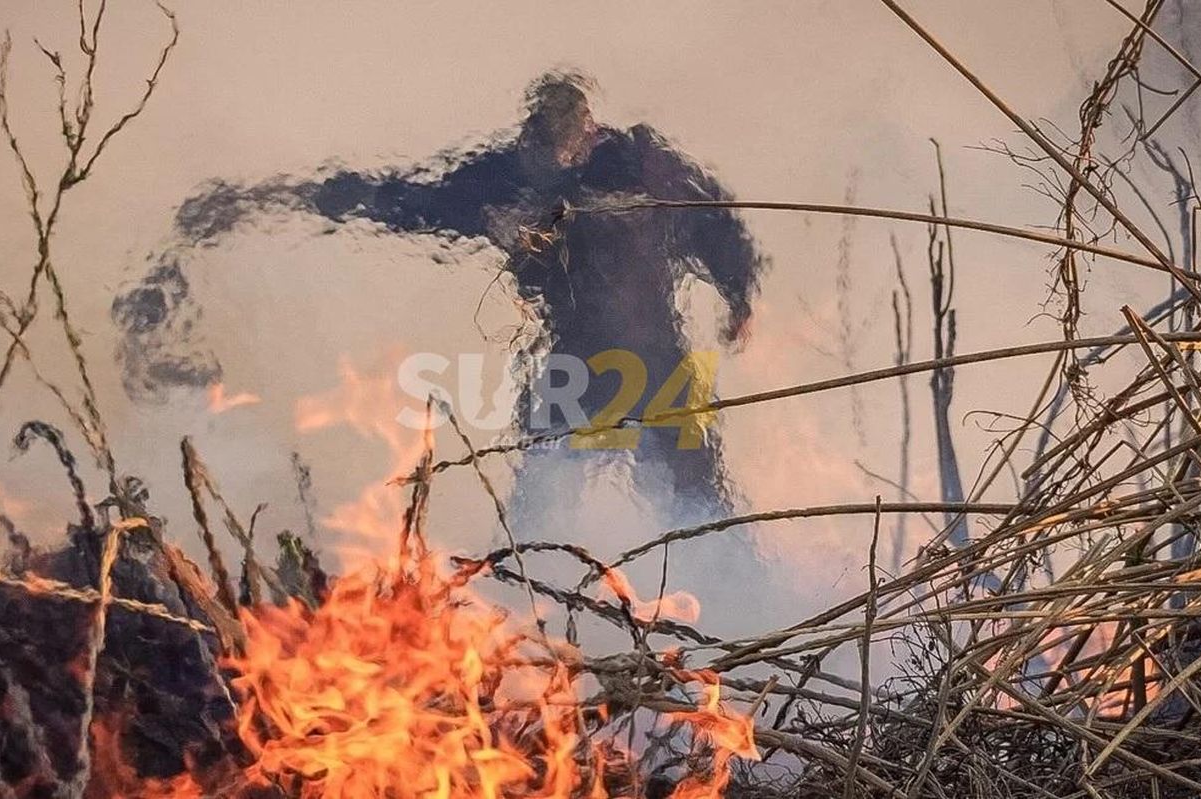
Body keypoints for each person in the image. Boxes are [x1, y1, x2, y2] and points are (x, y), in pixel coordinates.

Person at [115, 70, 767, 533]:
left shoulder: (640, 165)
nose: (552, 159)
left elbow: (714, 222)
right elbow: (406, 199)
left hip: (655, 363)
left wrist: (738, 295)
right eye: (541, 150)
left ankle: (738, 620)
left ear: (588, 131)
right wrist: (275, 198)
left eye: (564, 145)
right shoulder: (508, 175)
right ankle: (535, 620)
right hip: (572, 363)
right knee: (541, 513)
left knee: (699, 513)